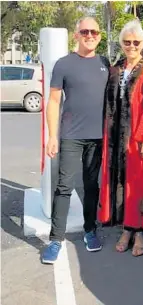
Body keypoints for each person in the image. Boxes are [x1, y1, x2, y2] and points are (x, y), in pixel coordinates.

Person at [98, 19, 143, 257]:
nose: (131, 46)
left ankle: (140, 232)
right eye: (127, 42)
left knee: (140, 186)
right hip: (119, 137)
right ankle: (127, 229)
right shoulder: (117, 67)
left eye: (136, 42)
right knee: (122, 183)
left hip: (142, 139)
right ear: (121, 44)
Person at [41, 17, 110, 264]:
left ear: (100, 36)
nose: (90, 35)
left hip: (97, 137)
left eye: (94, 31)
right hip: (70, 135)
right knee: (64, 186)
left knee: (92, 186)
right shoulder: (64, 64)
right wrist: (52, 136)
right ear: (76, 35)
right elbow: (53, 102)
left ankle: (90, 230)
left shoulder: (105, 63)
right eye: (85, 31)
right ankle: (55, 240)